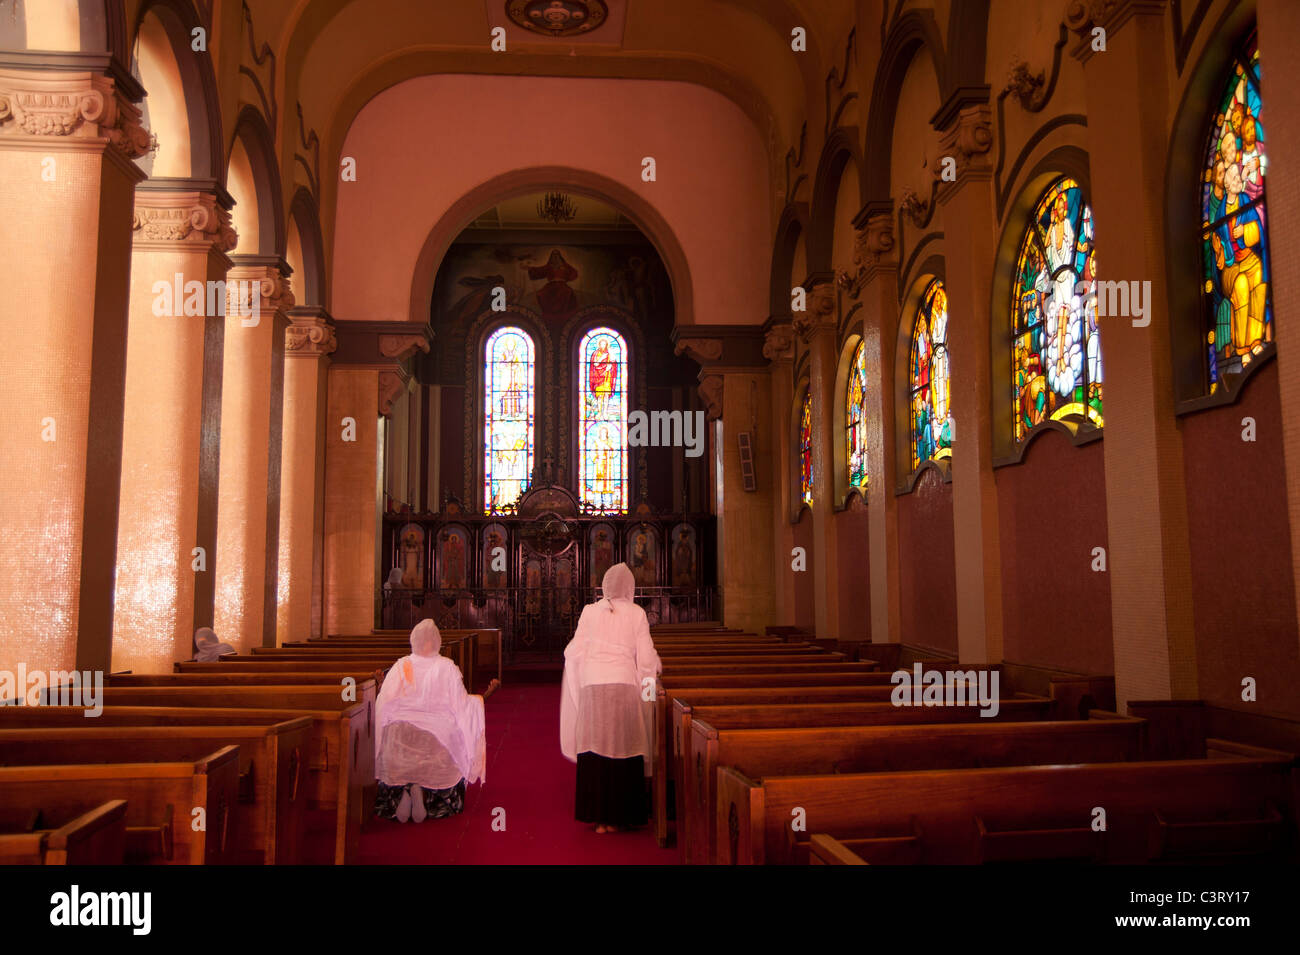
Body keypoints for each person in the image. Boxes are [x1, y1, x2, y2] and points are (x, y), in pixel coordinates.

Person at [559, 563, 661, 833]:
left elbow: (573, 652)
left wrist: (583, 683)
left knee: (595, 747)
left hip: (593, 686)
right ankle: (621, 816)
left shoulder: (589, 611)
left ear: (604, 585)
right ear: (630, 588)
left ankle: (598, 816)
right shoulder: (637, 613)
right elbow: (647, 659)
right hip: (624, 686)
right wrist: (647, 694)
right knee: (624, 745)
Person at [374, 619, 486, 823]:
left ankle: (403, 792)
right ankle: (427, 794)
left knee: (395, 732)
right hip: (436, 729)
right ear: (434, 642)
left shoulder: (402, 665)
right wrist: (476, 703)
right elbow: (460, 704)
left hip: (400, 727)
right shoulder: (446, 666)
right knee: (450, 733)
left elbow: (384, 699)